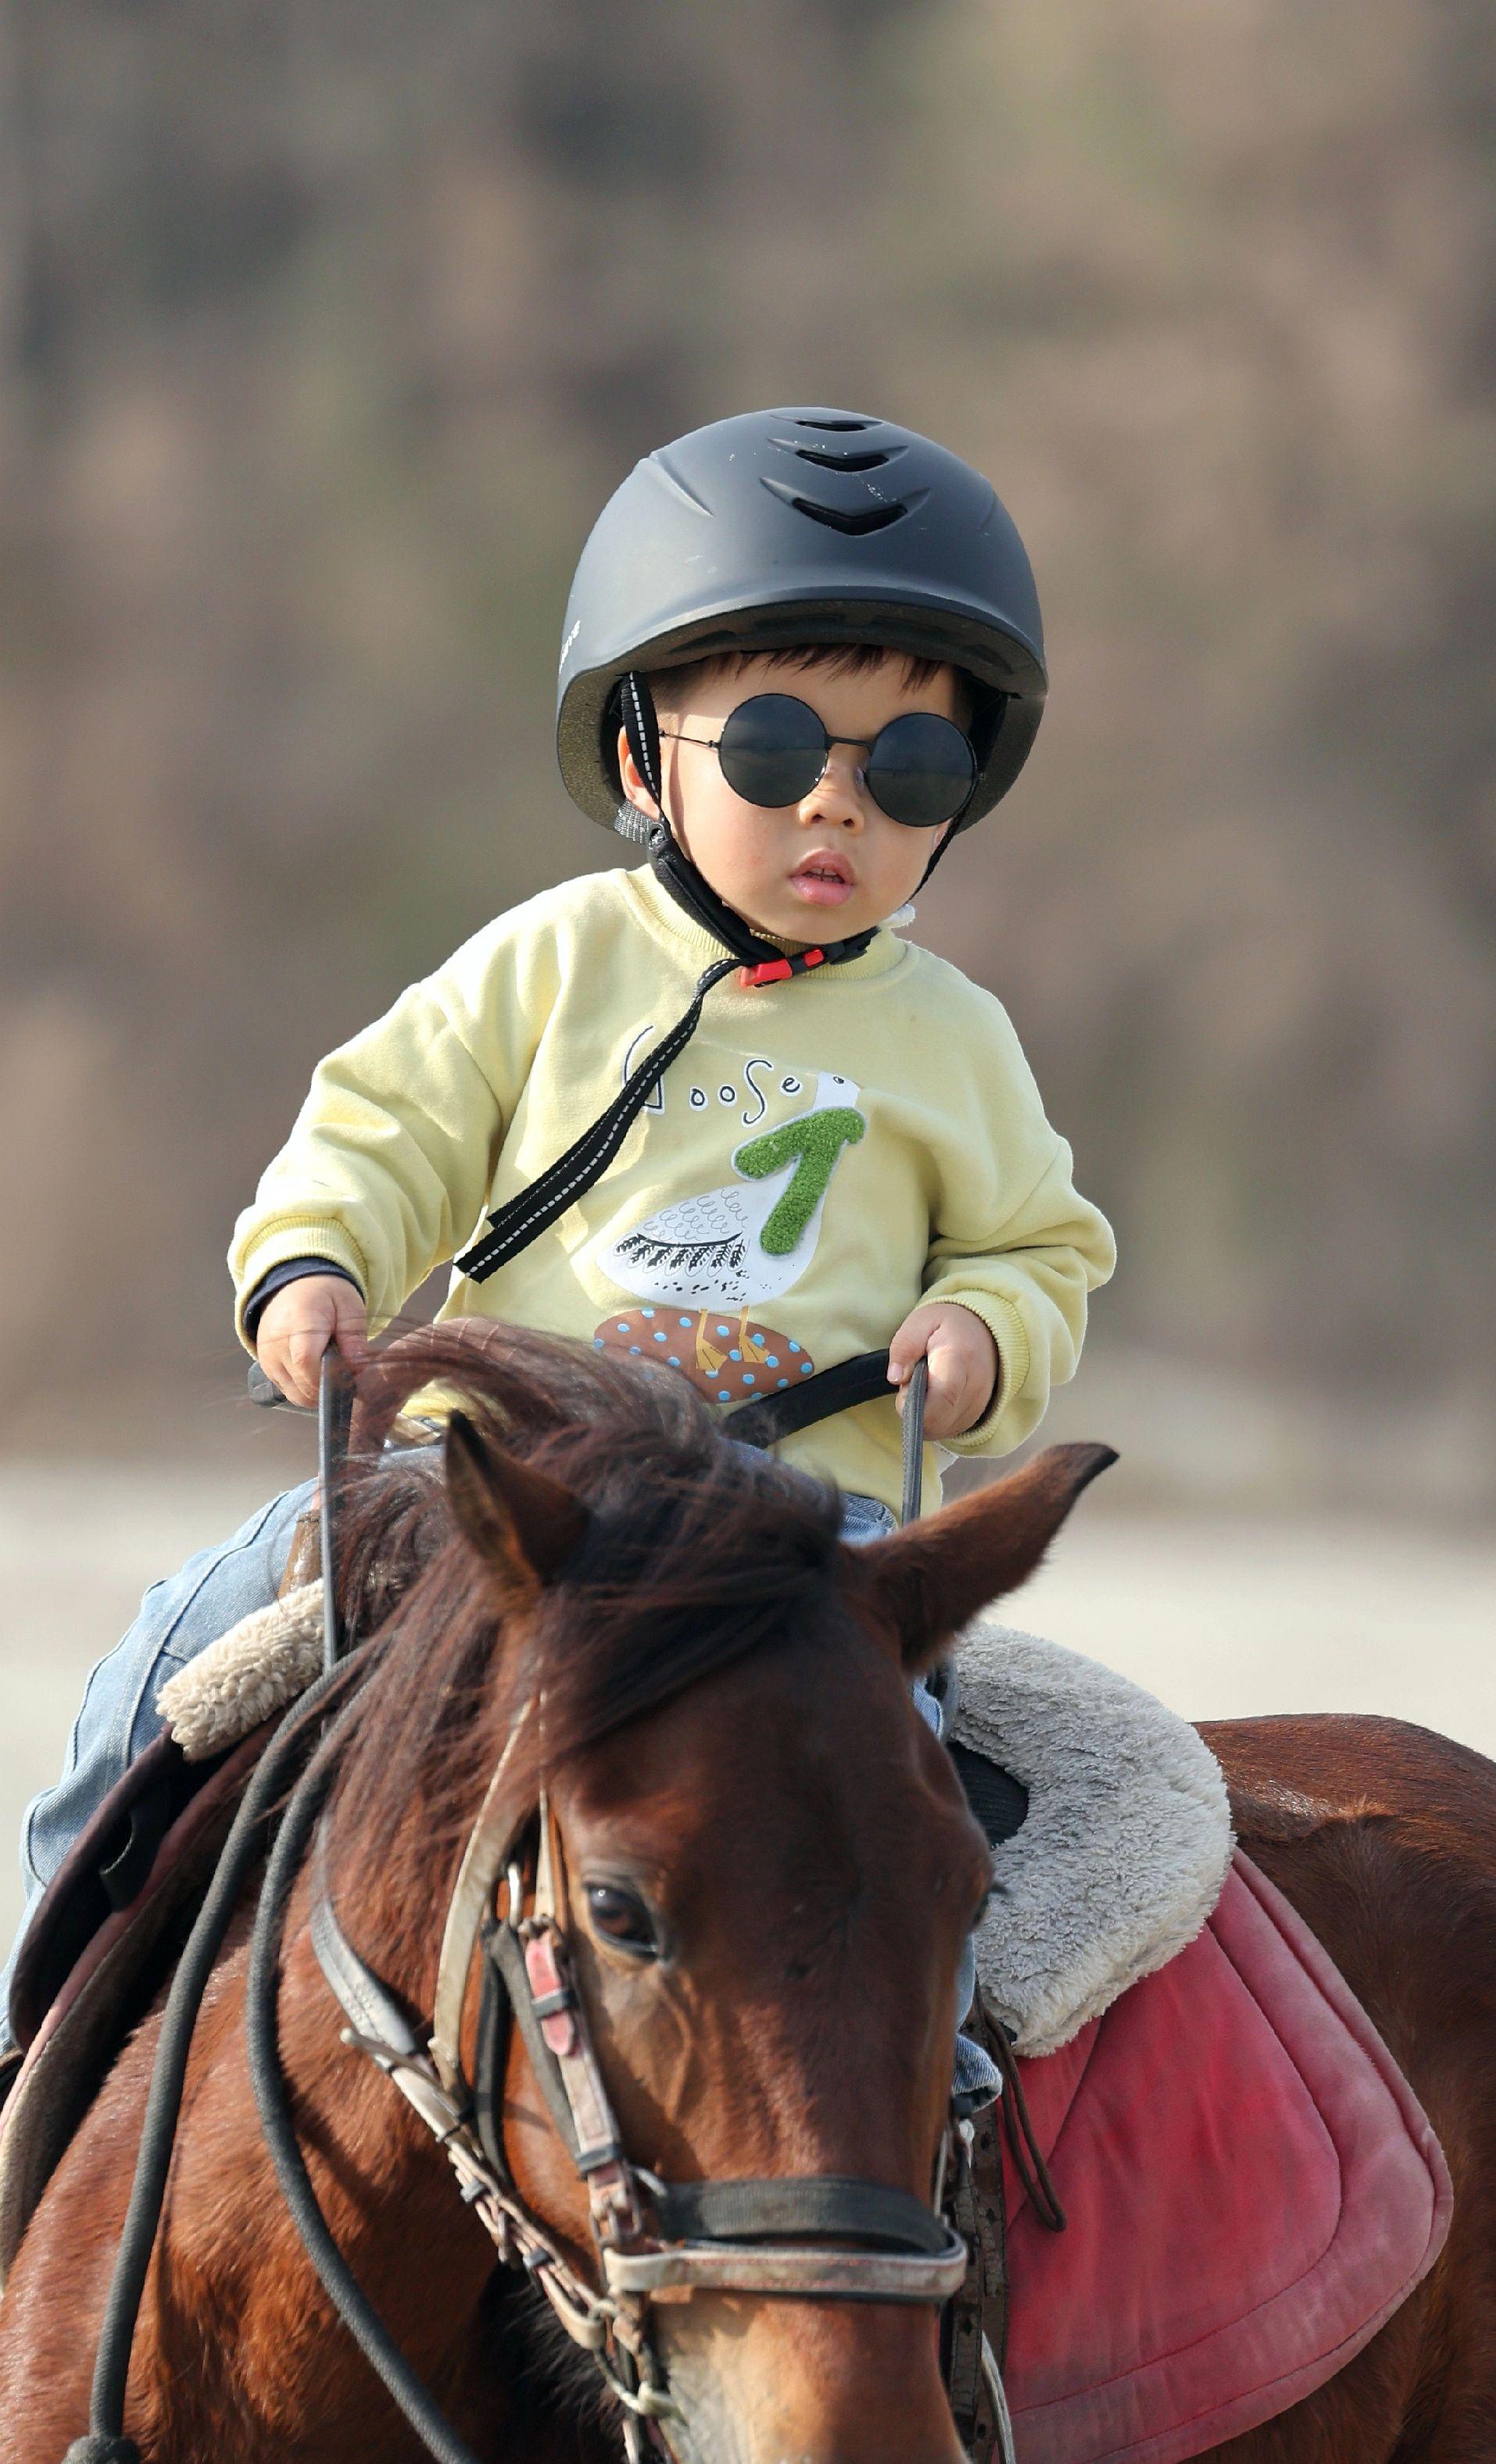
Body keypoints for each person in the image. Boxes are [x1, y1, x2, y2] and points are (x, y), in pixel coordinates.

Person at [3, 409, 1115, 2077]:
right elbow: (385, 1129)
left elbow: (1042, 1244)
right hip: (501, 1494)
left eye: (909, 771)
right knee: (186, 1652)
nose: (838, 807)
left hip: (802, 1527)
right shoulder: (547, 962)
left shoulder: (957, 1037)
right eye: (773, 752)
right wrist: (312, 1263)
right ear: (638, 758)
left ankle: (915, 2101)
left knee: (887, 1812)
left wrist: (984, 1330)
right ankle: (57, 1988)